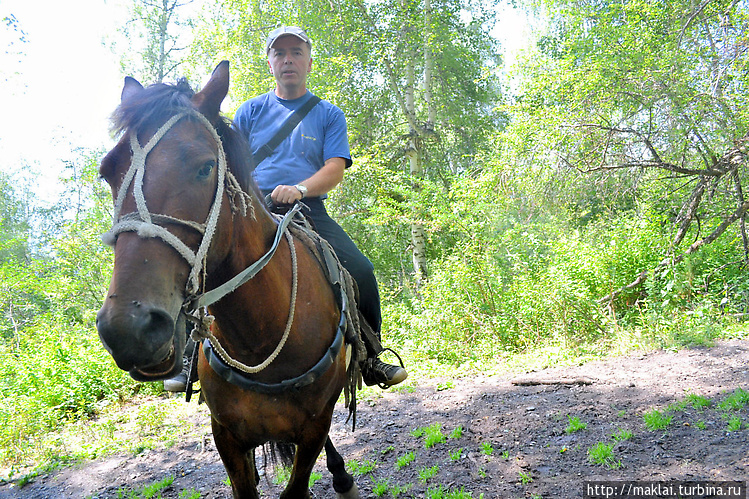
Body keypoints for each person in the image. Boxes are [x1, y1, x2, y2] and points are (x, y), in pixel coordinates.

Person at [164, 26, 407, 391]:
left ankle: (369, 357)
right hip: (251, 207)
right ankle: (189, 360)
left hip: (307, 209)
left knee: (361, 269)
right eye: (280, 53)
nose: (288, 59)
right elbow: (229, 163)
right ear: (270, 62)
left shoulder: (328, 114)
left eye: (295, 52)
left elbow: (335, 168)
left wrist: (300, 188)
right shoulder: (250, 111)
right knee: (199, 265)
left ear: (309, 61)